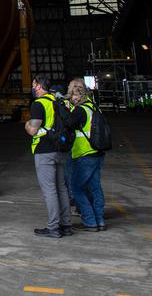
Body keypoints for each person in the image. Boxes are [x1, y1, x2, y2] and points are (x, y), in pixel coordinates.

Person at [27, 75, 73, 238]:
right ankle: (66, 225)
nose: (33, 88)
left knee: (49, 189)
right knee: (61, 188)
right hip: (61, 149)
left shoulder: (38, 104)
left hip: (45, 151)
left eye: (34, 85)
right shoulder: (57, 101)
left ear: (39, 86)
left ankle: (53, 227)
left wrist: (27, 124)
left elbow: (32, 130)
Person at [66, 80, 106, 231]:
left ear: (79, 95)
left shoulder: (80, 110)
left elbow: (69, 123)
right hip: (97, 153)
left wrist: (65, 109)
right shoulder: (94, 107)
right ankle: (100, 220)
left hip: (84, 154)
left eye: (73, 96)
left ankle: (89, 220)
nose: (72, 99)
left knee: (76, 188)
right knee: (95, 187)